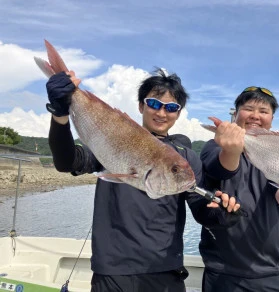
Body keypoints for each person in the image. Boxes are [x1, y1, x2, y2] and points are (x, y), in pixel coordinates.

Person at [46, 69, 240, 292]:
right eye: (154, 104)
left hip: (166, 270)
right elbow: (67, 161)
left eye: (171, 107)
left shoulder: (186, 157)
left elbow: (202, 210)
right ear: (141, 106)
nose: (162, 113)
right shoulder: (117, 138)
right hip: (113, 270)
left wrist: (223, 214)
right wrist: (60, 116)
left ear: (178, 114)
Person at [199, 86, 279, 292]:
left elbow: (277, 191)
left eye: (264, 111)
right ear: (235, 113)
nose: (255, 116)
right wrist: (232, 148)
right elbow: (223, 169)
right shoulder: (214, 146)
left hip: (278, 267)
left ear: (272, 118)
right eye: (249, 108)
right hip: (225, 272)